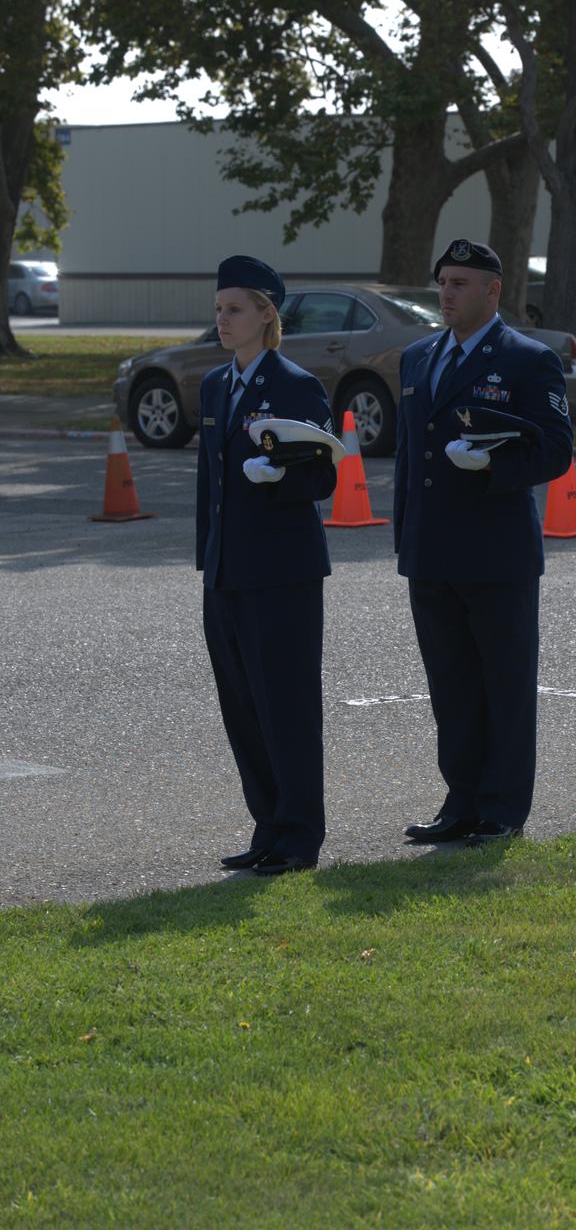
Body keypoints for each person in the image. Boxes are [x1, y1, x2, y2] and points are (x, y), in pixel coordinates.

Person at [394, 239, 574, 846]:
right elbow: (406, 458)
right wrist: (406, 537)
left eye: (461, 283)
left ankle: (501, 809)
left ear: (493, 291)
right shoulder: (418, 358)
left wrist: (492, 469)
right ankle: (460, 801)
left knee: (504, 684)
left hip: (496, 552)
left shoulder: (527, 359)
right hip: (432, 550)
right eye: (443, 282)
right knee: (451, 686)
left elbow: (554, 449)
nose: (446, 293)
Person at [196, 254, 338, 875]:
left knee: (287, 706)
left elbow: (324, 475)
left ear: (264, 314)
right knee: (244, 706)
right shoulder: (214, 386)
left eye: (234, 309)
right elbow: (211, 486)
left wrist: (279, 475)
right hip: (228, 572)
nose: (222, 320)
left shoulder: (295, 385)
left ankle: (300, 837)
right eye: (219, 309)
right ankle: (267, 826)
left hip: (283, 574)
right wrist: (209, 560)